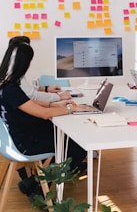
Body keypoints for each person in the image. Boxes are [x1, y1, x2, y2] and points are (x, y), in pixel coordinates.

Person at [0, 41, 96, 200]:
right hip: (24, 144)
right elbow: (43, 114)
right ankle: (40, 190)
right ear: (24, 63)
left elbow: (29, 104)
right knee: (77, 146)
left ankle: (33, 182)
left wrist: (56, 104)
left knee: (66, 139)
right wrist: (72, 109)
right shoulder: (11, 89)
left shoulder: (7, 85)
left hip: (20, 136)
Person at [9, 36, 72, 102]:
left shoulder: (14, 70)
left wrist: (46, 88)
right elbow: (32, 96)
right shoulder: (13, 74)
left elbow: (25, 89)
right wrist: (59, 96)